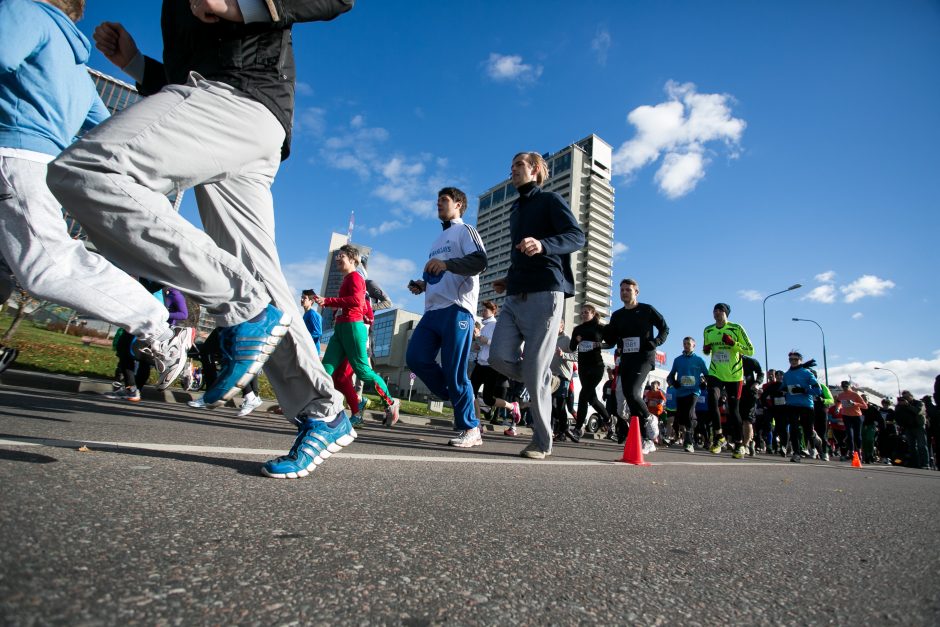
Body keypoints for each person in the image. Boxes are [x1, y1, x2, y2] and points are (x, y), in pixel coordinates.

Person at [49, 0, 356, 479]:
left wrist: (239, 6)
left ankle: (242, 301)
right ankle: (323, 411)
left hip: (237, 103)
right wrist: (135, 64)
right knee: (262, 272)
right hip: (241, 121)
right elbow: (181, 85)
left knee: (87, 170)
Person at [0, 0, 196, 393]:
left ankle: (155, 322)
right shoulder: (75, 71)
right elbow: (104, 129)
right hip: (36, 163)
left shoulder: (24, 11)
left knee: (46, 264)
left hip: (14, 154)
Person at [488, 151, 585, 460]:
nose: (513, 170)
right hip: (516, 294)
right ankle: (543, 377)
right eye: (511, 165)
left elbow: (576, 236)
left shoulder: (550, 200)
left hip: (546, 292)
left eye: (519, 165)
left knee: (532, 365)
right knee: (497, 357)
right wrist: (507, 278)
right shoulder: (516, 210)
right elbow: (521, 253)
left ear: (535, 170)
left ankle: (542, 442)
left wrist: (544, 244)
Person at [405, 187, 487, 448]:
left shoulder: (465, 231)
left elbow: (479, 261)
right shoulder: (435, 242)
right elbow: (439, 274)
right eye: (438, 200)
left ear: (459, 204)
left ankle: (470, 427)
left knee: (455, 371)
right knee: (415, 358)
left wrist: (447, 264)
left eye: (444, 200)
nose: (439, 203)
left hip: (457, 308)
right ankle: (460, 397)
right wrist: (423, 284)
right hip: (432, 311)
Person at [315, 245, 400, 425]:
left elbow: (356, 301)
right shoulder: (347, 279)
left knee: (363, 372)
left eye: (342, 256)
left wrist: (329, 301)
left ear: (353, 259)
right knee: (330, 374)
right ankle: (353, 413)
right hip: (340, 328)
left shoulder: (356, 278)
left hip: (353, 327)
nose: (338, 259)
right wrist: (331, 305)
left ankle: (391, 402)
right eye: (337, 256)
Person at [602, 278, 669, 453]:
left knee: (632, 391)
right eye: (622, 290)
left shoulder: (646, 310)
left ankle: (649, 419)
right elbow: (611, 340)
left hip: (644, 357)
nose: (624, 292)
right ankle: (645, 439)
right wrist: (603, 334)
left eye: (628, 290)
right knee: (629, 398)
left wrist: (656, 342)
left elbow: (664, 328)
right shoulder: (617, 315)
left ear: (636, 292)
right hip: (627, 358)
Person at [702, 303, 754, 459]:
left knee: (733, 410)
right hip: (715, 372)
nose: (717, 313)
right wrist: (706, 350)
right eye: (715, 310)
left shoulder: (736, 328)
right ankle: (718, 436)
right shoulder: (708, 330)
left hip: (734, 375)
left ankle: (739, 444)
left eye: (720, 311)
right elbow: (706, 350)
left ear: (726, 314)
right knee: (711, 398)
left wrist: (733, 344)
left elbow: (750, 350)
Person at [469, 301, 519, 433]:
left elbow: (501, 345)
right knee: (471, 392)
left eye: (485, 310)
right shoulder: (484, 327)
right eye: (482, 310)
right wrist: (478, 347)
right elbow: (483, 347)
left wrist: (487, 341)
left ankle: (511, 406)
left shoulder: (496, 325)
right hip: (480, 364)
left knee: (488, 399)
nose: (482, 312)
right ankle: (477, 424)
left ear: (493, 312)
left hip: (491, 366)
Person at [570, 304, 612, 440]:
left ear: (593, 314)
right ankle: (608, 420)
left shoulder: (600, 328)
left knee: (583, 395)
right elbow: (571, 348)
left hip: (596, 366)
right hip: (583, 367)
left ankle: (578, 429)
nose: (583, 314)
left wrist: (599, 344)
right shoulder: (577, 329)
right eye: (582, 312)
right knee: (592, 399)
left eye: (586, 312)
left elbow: (611, 343)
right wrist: (576, 341)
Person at [667, 337, 709, 452]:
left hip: (694, 391)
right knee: (683, 418)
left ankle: (689, 441)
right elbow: (670, 376)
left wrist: (704, 382)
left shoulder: (699, 360)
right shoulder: (677, 360)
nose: (686, 345)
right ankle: (692, 425)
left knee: (690, 413)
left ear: (694, 345)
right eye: (684, 343)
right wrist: (673, 383)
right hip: (680, 392)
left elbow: (707, 375)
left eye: (688, 344)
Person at [779, 350, 822, 463]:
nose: (793, 361)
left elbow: (818, 390)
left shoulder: (807, 373)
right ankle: (796, 453)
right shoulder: (787, 374)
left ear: (800, 360)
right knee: (794, 429)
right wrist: (783, 390)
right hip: (791, 405)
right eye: (790, 359)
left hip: (806, 405)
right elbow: (783, 387)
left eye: (795, 359)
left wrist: (804, 390)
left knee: (807, 430)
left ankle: (814, 441)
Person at [550, 320, 578, 441]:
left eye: (557, 325)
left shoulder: (567, 339)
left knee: (560, 405)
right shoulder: (550, 338)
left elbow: (576, 356)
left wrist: (563, 355)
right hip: (551, 376)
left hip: (563, 376)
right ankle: (563, 428)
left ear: (562, 326)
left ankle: (563, 430)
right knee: (550, 404)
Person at [836, 381, 868, 461]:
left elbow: (865, 406)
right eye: (843, 387)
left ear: (849, 386)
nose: (845, 388)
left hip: (856, 416)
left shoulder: (855, 394)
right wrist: (838, 408)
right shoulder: (841, 395)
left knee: (857, 435)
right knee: (849, 435)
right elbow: (839, 403)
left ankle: (859, 451)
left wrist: (854, 403)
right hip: (846, 416)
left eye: (846, 387)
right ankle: (851, 451)